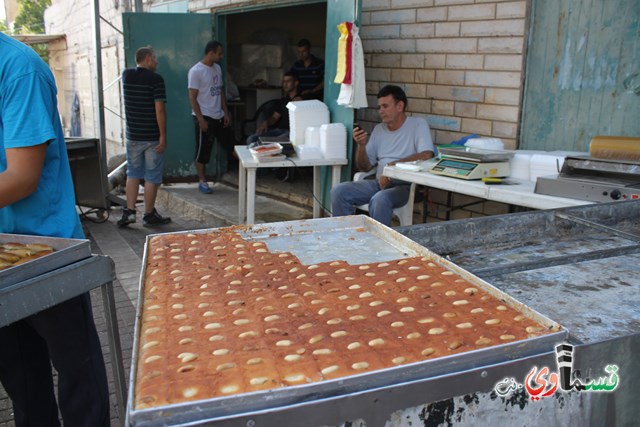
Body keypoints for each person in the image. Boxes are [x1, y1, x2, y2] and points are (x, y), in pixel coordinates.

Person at [0, 33, 110, 425]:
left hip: (45, 250)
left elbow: (21, 177)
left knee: (78, 375)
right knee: (23, 381)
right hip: (2, 250)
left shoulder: (18, 69)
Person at [331, 85, 435, 226]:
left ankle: (378, 246)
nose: (381, 111)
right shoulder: (379, 129)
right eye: (379, 107)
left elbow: (427, 154)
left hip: (405, 186)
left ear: (400, 106)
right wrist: (361, 146)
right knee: (339, 191)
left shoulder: (417, 125)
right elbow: (364, 167)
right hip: (379, 182)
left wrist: (393, 168)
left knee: (380, 199)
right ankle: (346, 239)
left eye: (385, 106)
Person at [118, 45, 171, 227]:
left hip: (133, 135)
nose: (156, 62)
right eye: (154, 58)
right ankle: (149, 214)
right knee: (152, 176)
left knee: (133, 173)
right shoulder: (156, 79)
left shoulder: (126, 75)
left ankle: (130, 212)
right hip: (151, 136)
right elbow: (160, 109)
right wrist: (163, 135)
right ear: (147, 58)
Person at [188, 40, 232, 194]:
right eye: (219, 53)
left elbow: (220, 91)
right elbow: (192, 97)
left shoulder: (217, 68)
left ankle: (246, 172)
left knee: (231, 144)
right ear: (210, 53)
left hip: (218, 115)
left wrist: (225, 112)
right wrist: (200, 120)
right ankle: (202, 180)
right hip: (204, 117)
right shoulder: (196, 71)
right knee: (203, 151)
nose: (221, 56)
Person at [246, 72, 302, 145]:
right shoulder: (283, 100)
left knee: (273, 143)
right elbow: (275, 117)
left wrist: (300, 103)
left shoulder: (302, 99)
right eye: (284, 81)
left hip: (292, 132)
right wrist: (266, 122)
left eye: (288, 81)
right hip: (279, 130)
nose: (285, 84)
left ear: (296, 83)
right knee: (251, 139)